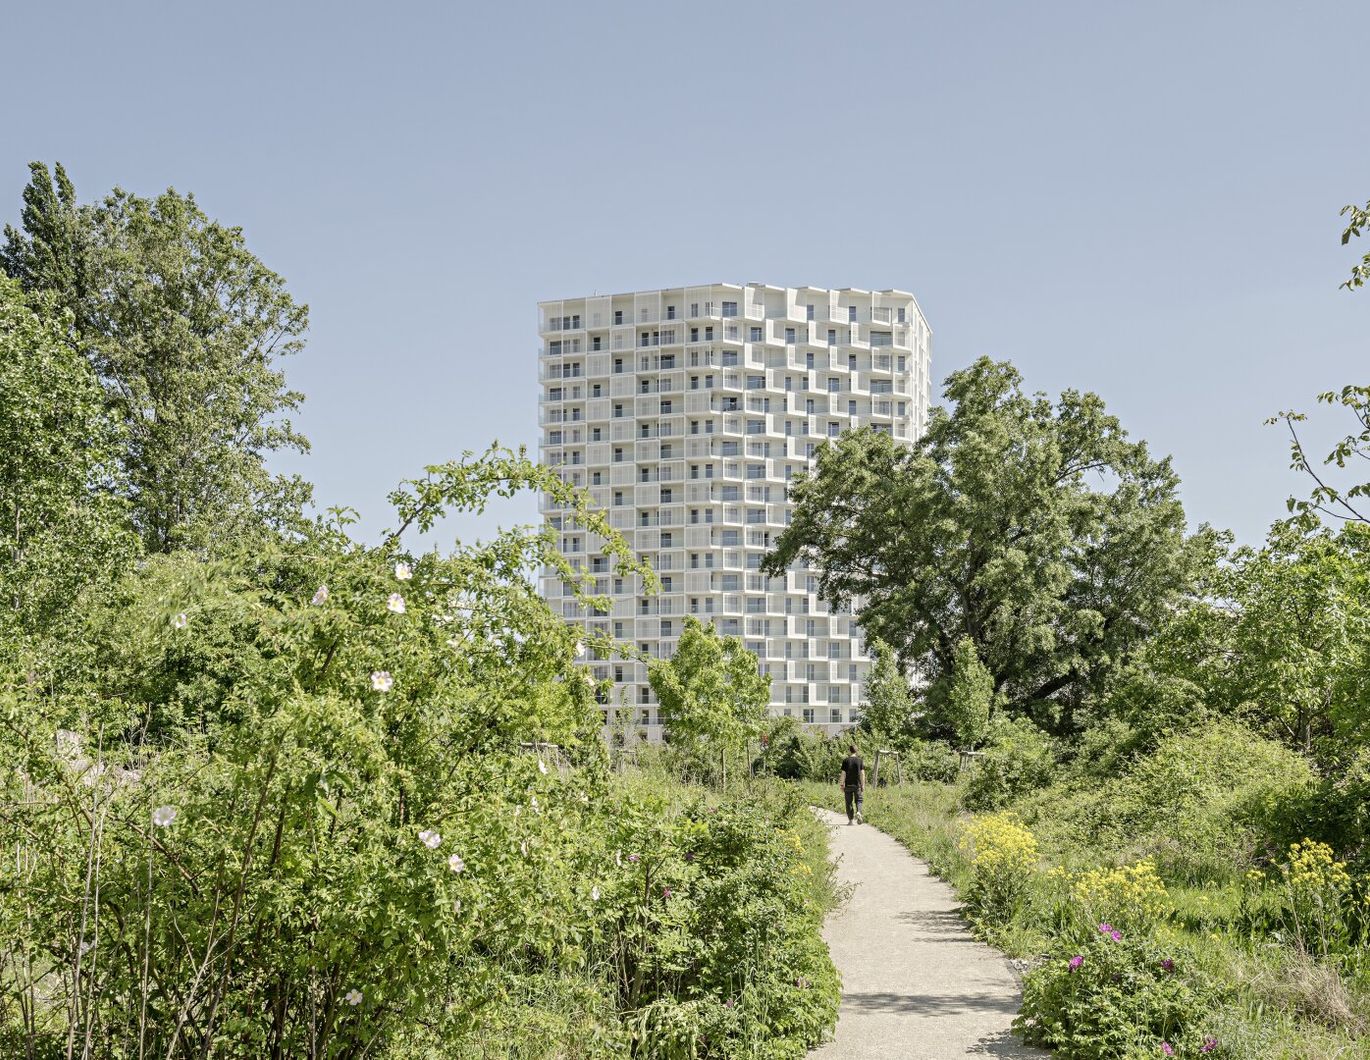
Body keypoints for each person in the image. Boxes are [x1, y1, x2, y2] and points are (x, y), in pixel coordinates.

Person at [836, 744, 865, 825]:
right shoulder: (860, 761)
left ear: (849, 751)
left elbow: (843, 774)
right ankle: (858, 812)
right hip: (857, 785)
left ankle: (851, 820)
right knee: (859, 800)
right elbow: (862, 774)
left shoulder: (845, 761)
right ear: (857, 751)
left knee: (848, 802)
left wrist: (842, 785)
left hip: (848, 785)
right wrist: (863, 785)